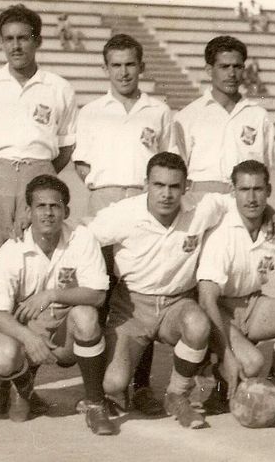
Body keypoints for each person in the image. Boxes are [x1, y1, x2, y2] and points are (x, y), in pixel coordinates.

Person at [0, 3, 78, 415]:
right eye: (8, 38)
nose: (16, 45)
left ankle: (24, 390)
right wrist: (2, 176)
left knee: (33, 291)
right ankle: (0, 385)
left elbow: (65, 148)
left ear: (38, 41)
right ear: (1, 42)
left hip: (38, 179)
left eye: (23, 38)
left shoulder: (58, 87)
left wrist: (35, 180)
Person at [87, 152, 242, 430]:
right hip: (132, 307)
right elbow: (82, 234)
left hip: (176, 304)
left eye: (174, 186)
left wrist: (270, 213)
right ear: (146, 183)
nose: (166, 194)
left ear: (187, 186)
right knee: (113, 382)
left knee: (197, 324)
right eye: (159, 185)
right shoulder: (123, 214)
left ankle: (177, 395)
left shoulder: (202, 207)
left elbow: (241, 202)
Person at [72, 33, 176, 415]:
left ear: (142, 66)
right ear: (105, 69)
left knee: (140, 291)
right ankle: (97, 386)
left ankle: (141, 383)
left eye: (130, 64)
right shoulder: (91, 111)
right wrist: (104, 186)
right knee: (100, 289)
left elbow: (170, 160)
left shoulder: (159, 111)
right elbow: (81, 162)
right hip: (104, 199)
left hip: (144, 201)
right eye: (115, 65)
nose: (124, 72)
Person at [0, 175, 116, 435]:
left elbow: (98, 295)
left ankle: (95, 403)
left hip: (68, 332)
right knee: (1, 355)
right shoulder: (11, 250)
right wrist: (28, 338)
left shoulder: (82, 239)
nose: (48, 213)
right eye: (40, 206)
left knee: (87, 315)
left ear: (66, 211)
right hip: (30, 331)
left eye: (55, 206)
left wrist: (51, 295)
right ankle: (24, 391)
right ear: (28, 212)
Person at [196, 160, 275, 420]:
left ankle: (273, 391)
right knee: (252, 362)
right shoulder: (223, 233)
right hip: (219, 308)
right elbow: (206, 300)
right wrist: (226, 353)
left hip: (253, 304)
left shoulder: (274, 228)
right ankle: (219, 382)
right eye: (244, 190)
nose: (252, 198)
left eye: (258, 189)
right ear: (233, 192)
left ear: (269, 190)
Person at [174, 36, 275, 200]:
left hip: (244, 199)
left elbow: (266, 168)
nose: (232, 74)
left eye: (237, 67)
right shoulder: (188, 116)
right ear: (209, 70)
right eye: (224, 67)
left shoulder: (258, 115)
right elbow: (177, 170)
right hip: (200, 199)